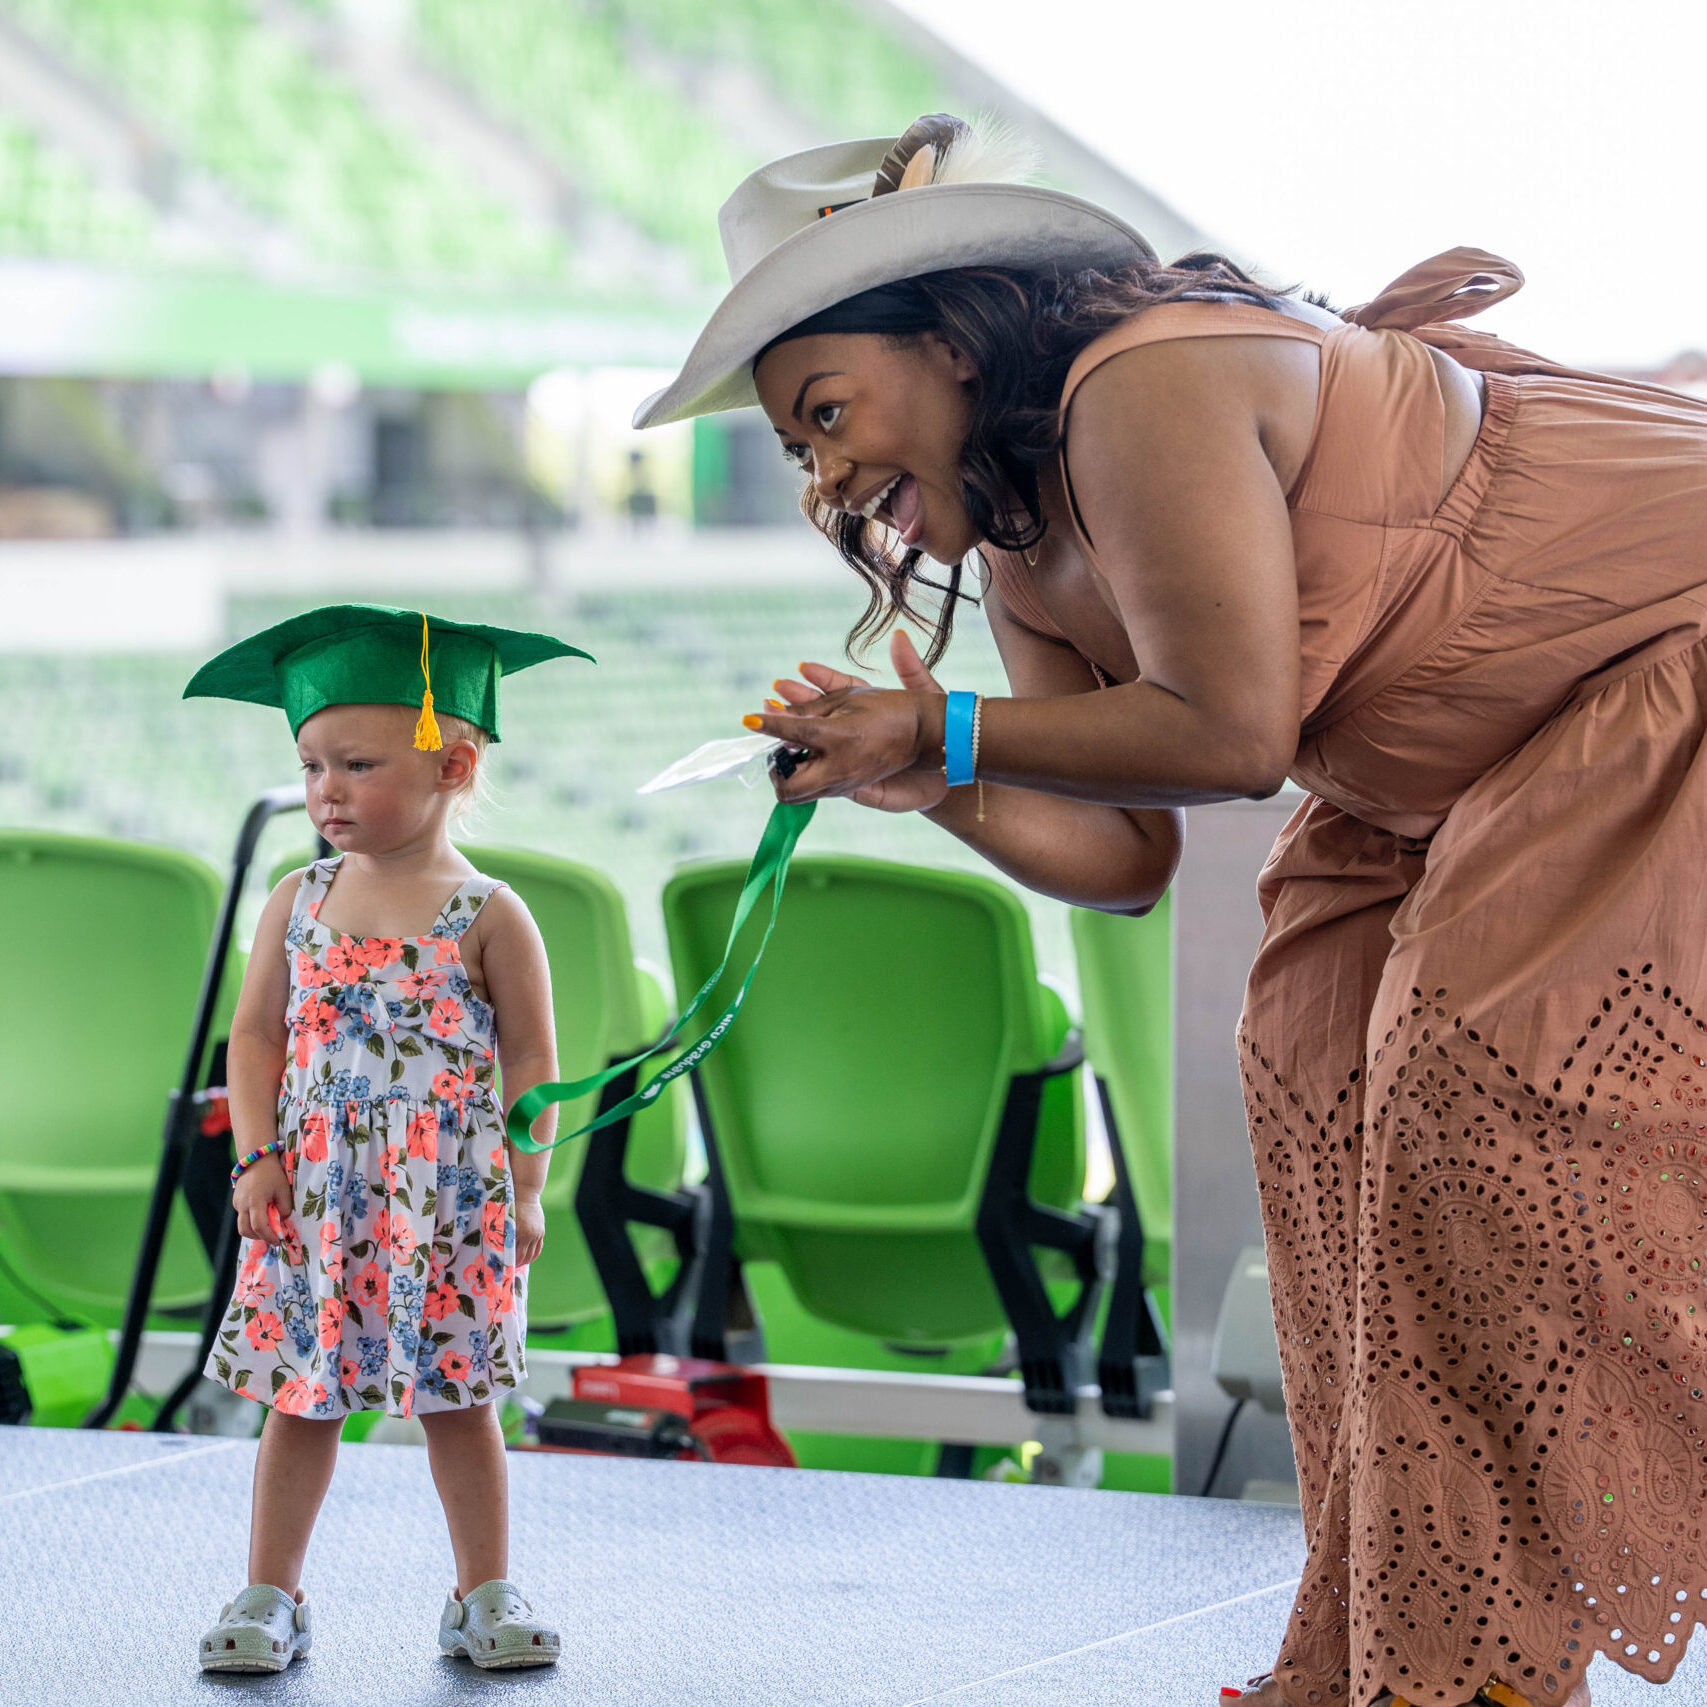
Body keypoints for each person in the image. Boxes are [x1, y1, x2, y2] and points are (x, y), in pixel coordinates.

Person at [635, 113, 1707, 1707]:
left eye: (826, 411)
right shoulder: (1020, 541)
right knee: (1309, 1066)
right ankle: (1426, 1651)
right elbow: (1125, 852)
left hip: (1655, 663)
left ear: (948, 341)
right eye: (798, 449)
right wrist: (935, 778)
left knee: (1476, 1077)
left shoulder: (1143, 381)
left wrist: (939, 723)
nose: (824, 475)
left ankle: (1476, 1652)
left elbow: (1228, 731)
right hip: (1453, 761)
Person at [182, 604, 591, 1675]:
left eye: (356, 764)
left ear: (453, 765)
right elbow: (255, 1035)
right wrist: (257, 1157)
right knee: (301, 1398)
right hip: (318, 1198)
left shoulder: (490, 913)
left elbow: (532, 1065)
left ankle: (482, 1591)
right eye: (311, 765)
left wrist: (527, 1188)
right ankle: (271, 1592)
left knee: (462, 1402)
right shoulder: (298, 898)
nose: (326, 790)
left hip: (447, 1202)